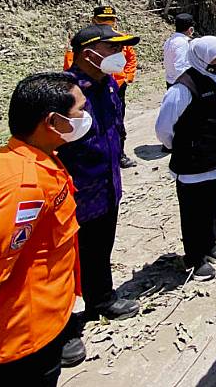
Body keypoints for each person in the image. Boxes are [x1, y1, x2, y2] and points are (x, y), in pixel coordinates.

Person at [0, 73, 87, 386]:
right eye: (79, 111)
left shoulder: (32, 156)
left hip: (44, 321)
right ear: (52, 122)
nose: (86, 118)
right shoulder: (24, 188)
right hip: (23, 341)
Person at [58, 24, 141, 321]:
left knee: (99, 248)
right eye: (113, 49)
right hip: (74, 192)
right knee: (66, 260)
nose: (120, 54)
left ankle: (102, 300)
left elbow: (115, 126)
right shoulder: (64, 92)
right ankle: (62, 323)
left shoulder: (108, 84)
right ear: (88, 54)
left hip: (106, 186)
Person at [155, 37, 216, 281]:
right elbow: (164, 127)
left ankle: (210, 245)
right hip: (192, 164)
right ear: (201, 59)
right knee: (192, 213)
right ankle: (194, 258)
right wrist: (180, 146)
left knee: (210, 206)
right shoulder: (183, 88)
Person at [64, 6, 138, 169]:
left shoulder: (119, 39)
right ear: (94, 21)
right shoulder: (85, 40)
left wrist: (126, 77)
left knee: (115, 121)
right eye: (104, 20)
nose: (108, 24)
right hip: (85, 180)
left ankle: (119, 154)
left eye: (111, 20)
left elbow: (131, 59)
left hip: (117, 86)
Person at [163, 13, 195, 89]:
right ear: (190, 30)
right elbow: (180, 67)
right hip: (180, 84)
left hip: (171, 81)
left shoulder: (169, 40)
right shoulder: (182, 43)